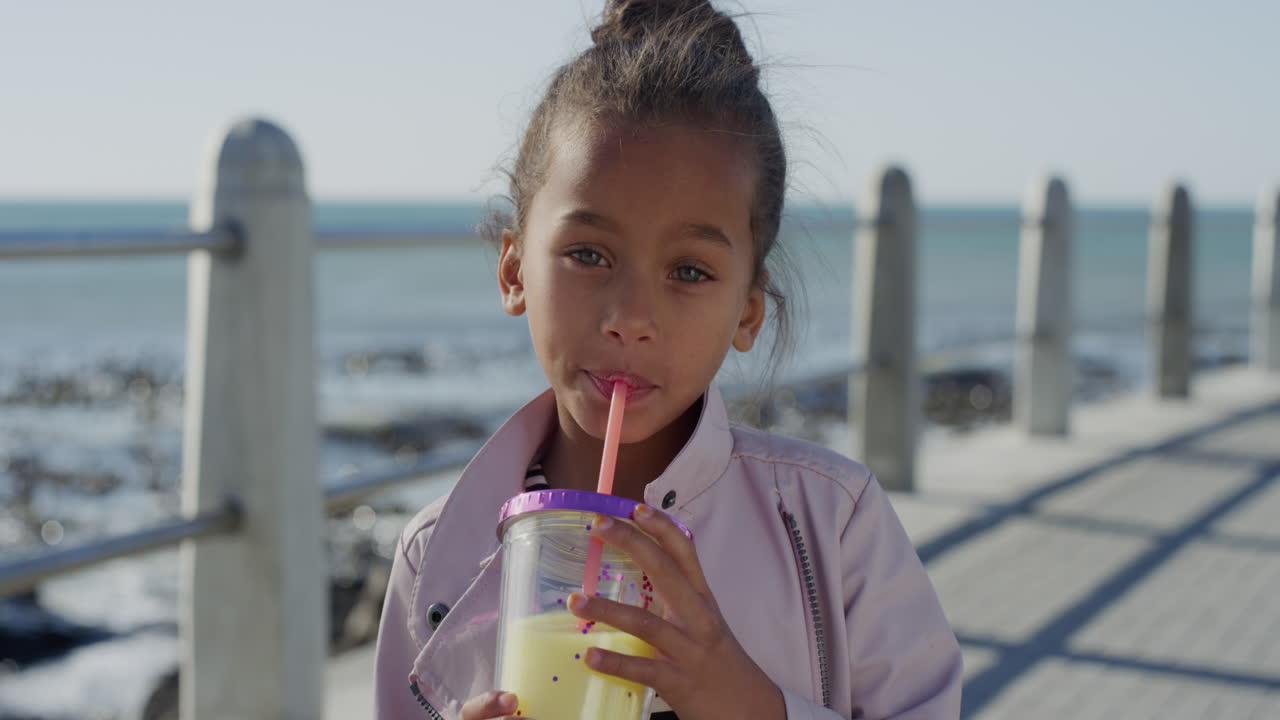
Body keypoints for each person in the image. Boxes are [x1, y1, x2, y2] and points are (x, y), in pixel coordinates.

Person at [374, 1, 962, 718]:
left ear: (748, 310)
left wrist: (749, 702)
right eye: (588, 254)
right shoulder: (439, 556)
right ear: (514, 271)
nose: (630, 319)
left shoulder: (830, 526)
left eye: (689, 271)